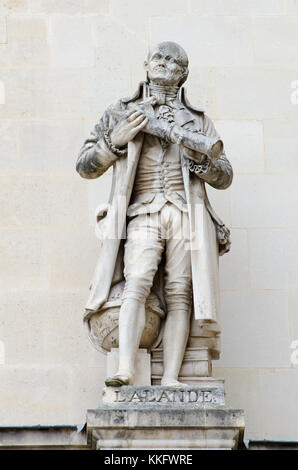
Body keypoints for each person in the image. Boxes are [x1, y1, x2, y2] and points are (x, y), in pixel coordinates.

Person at [76, 41, 233, 387]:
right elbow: (85, 165)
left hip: (184, 212)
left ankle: (172, 378)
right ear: (146, 64)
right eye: (158, 57)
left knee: (180, 293)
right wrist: (113, 141)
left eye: (172, 60)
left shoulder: (198, 121)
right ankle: (125, 368)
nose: (163, 63)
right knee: (136, 283)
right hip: (142, 210)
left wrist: (203, 163)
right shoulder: (121, 111)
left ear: (183, 73)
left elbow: (225, 174)